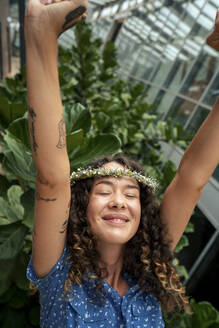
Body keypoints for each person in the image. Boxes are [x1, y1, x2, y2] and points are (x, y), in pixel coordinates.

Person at [25, 1, 219, 327]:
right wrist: (40, 36)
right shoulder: (59, 273)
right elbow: (52, 178)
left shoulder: (149, 276)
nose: (119, 200)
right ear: (81, 206)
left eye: (131, 194)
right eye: (104, 190)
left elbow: (192, 177)